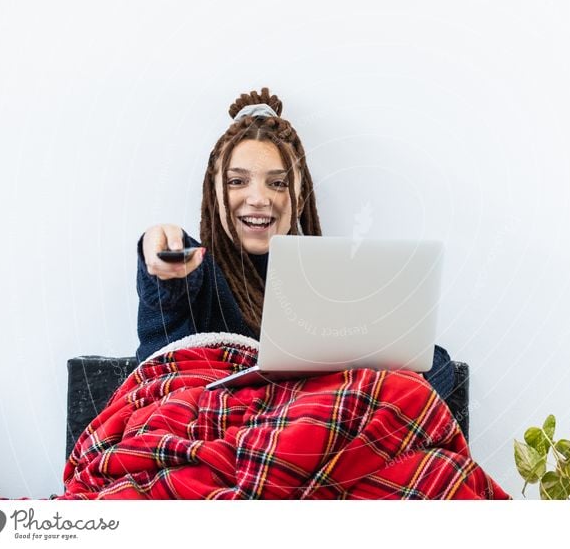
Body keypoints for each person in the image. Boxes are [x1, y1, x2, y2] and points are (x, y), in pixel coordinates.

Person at [135, 88, 455, 398]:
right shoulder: (194, 270)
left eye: (277, 183)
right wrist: (160, 253)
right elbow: (167, 293)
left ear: (299, 198)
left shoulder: (331, 284)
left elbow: (435, 366)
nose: (258, 198)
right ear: (214, 194)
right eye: (237, 181)